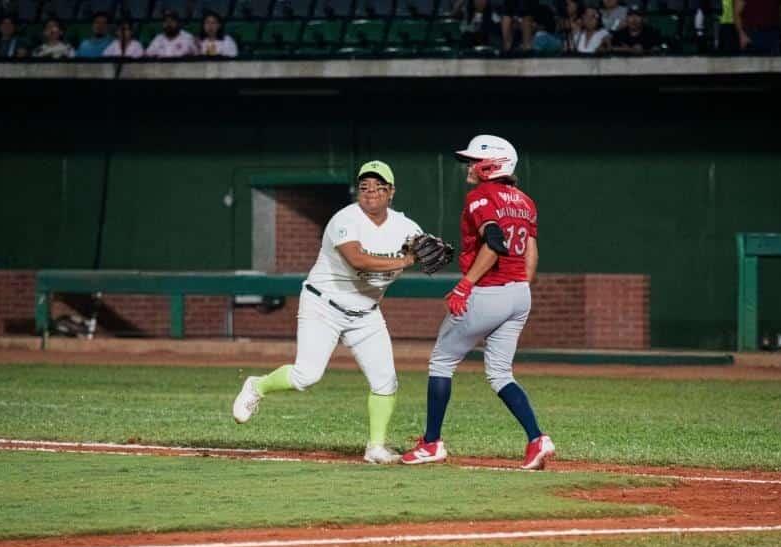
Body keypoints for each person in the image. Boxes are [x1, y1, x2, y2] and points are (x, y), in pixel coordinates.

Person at [232, 162, 427, 465]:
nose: (371, 191)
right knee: (306, 376)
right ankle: (257, 386)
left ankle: (375, 447)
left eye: (379, 186)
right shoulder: (345, 219)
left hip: (366, 313)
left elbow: (424, 248)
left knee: (386, 381)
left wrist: (429, 251)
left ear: (392, 192)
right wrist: (408, 260)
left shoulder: (406, 227)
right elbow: (358, 260)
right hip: (323, 305)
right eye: (365, 186)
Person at [401, 135, 555, 471]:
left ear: (492, 164)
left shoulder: (481, 196)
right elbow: (529, 252)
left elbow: (494, 240)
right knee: (500, 373)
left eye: (474, 161)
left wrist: (465, 285)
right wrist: (518, 286)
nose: (469, 167)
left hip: (488, 291)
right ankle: (536, 439)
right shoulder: (525, 201)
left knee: (441, 362)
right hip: (519, 292)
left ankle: (431, 443)